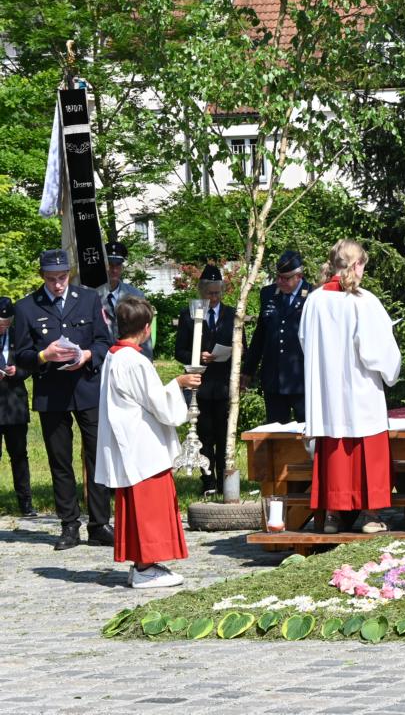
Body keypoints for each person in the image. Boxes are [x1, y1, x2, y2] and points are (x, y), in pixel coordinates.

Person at [11, 249, 114, 549]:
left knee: (97, 456)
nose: (58, 285)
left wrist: (87, 355)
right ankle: (69, 524)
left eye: (62, 277)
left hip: (87, 387)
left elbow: (104, 342)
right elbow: (22, 355)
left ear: (70, 274)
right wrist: (45, 355)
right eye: (51, 279)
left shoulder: (88, 299)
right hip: (51, 392)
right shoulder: (27, 307)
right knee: (60, 460)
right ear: (42, 276)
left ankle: (100, 524)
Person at [95, 296, 200, 588]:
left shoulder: (114, 356)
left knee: (138, 506)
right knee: (149, 507)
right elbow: (159, 403)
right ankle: (145, 566)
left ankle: (143, 563)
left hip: (131, 442)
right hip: (143, 446)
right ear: (146, 328)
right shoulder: (135, 361)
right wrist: (178, 384)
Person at [300, 239, 401, 534]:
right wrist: (391, 370)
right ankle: (370, 515)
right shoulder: (363, 301)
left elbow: (305, 342)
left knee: (334, 451)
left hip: (327, 394)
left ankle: (333, 515)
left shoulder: (314, 300)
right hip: (360, 390)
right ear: (357, 265)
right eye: (363, 266)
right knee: (367, 450)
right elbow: (377, 351)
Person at [174, 265, 238, 495]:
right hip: (199, 384)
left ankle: (223, 480)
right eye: (209, 293)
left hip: (223, 383)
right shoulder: (189, 314)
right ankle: (208, 481)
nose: (214, 298)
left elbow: (242, 348)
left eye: (217, 293)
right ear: (201, 292)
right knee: (204, 433)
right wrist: (197, 356)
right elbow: (179, 351)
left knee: (223, 433)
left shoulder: (232, 314)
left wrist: (228, 355)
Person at [241, 250, 311, 424]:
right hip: (274, 378)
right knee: (276, 431)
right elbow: (260, 334)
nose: (280, 281)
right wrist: (248, 370)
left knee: (308, 431)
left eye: (285, 278)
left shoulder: (312, 295)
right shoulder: (268, 293)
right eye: (278, 277)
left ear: (299, 276)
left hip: (301, 378)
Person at [0, 297, 36, 517]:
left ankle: (26, 503)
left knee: (19, 455)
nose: (3, 328)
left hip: (14, 403)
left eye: (6, 324)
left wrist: (17, 372)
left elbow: (30, 364)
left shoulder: (18, 335)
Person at [98, 241, 152, 359]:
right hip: (101, 361)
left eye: (118, 265)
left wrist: (147, 361)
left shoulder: (135, 295)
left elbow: (144, 332)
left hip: (130, 360)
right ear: (104, 265)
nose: (114, 270)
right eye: (110, 265)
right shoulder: (92, 296)